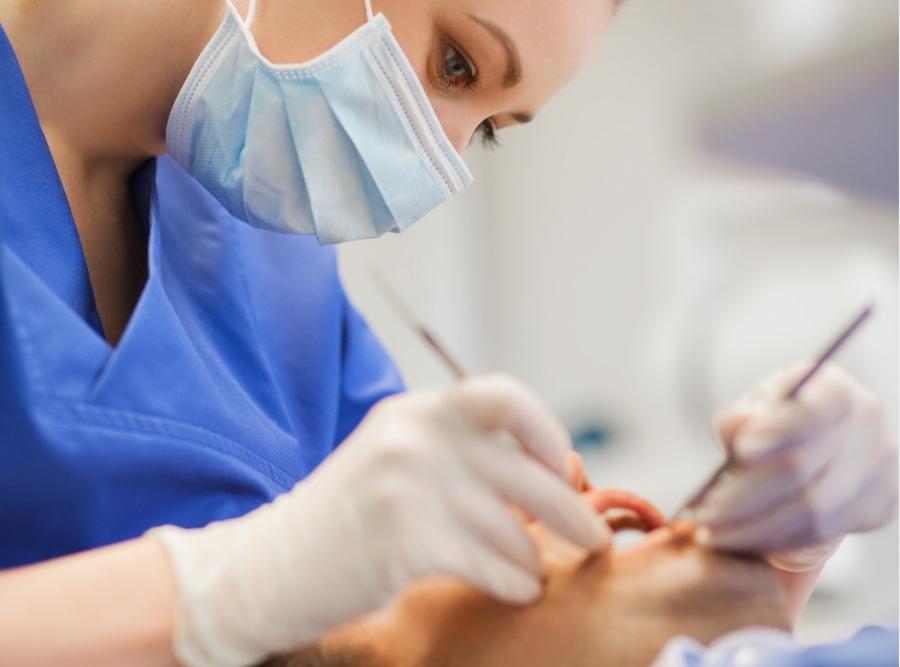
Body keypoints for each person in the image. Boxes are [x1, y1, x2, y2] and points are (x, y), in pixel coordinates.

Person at [0, 0, 895, 665]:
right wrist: (224, 592)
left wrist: (776, 567)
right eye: (457, 64)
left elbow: (395, 608)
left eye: (490, 132)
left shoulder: (273, 277)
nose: (438, 158)